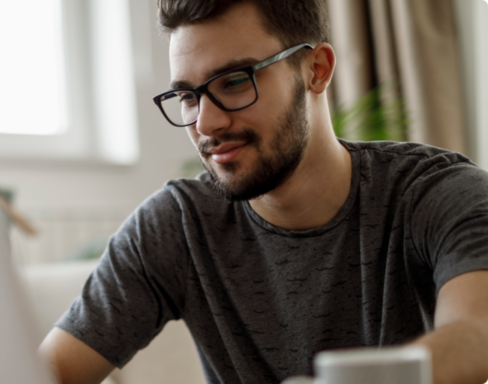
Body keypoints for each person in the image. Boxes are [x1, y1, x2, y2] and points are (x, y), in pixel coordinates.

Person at [38, 1, 488, 383]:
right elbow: (47, 372)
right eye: (189, 96)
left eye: (235, 82)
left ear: (316, 70)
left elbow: (477, 337)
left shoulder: (436, 193)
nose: (206, 124)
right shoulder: (176, 226)